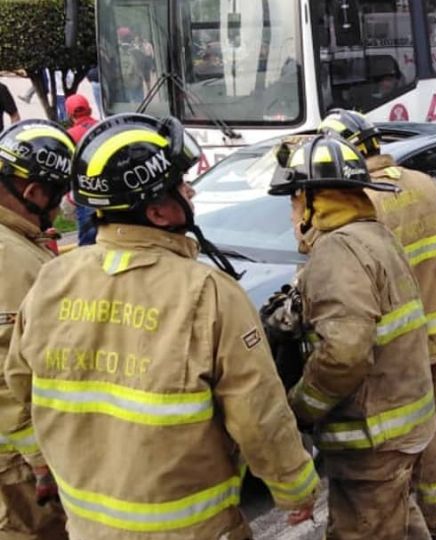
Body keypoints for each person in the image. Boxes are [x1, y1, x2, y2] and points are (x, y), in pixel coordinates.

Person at [2, 113, 319, 539]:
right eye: (180, 185)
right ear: (157, 211)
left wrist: (46, 458)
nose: (190, 191)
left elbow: (20, 379)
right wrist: (294, 488)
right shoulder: (210, 293)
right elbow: (259, 416)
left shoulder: (54, 278)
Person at [268, 136, 436, 540]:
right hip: (402, 428)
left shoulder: (337, 251)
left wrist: (301, 408)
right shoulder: (375, 236)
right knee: (400, 521)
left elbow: (344, 354)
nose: (291, 214)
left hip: (370, 441)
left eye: (293, 200)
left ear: (312, 201)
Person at [319, 109, 436, 538]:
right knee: (433, 428)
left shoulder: (362, 202)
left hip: (396, 352)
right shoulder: (425, 184)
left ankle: (409, 518)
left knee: (396, 448)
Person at [0, 119, 74, 540]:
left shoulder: (15, 242)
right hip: (18, 463)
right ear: (34, 192)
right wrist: (39, 457)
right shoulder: (8, 257)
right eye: (57, 194)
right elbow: (4, 364)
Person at [65, 94, 99, 246]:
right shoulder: (102, 127)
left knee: (87, 241)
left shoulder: (69, 135)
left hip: (84, 192)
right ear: (90, 110)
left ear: (69, 114)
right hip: (108, 189)